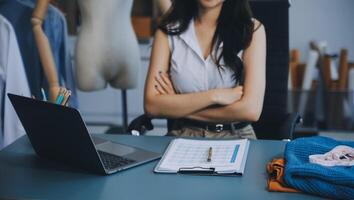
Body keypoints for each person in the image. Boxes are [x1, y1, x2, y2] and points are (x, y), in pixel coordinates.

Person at [144, 0, 266, 139]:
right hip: (182, 134)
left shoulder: (252, 29)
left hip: (236, 135)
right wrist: (215, 96)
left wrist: (177, 105)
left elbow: (250, 110)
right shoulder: (168, 31)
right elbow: (152, 106)